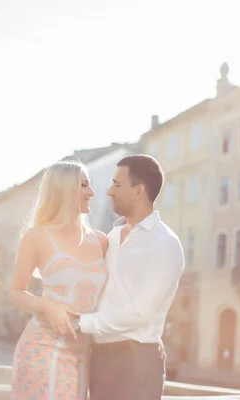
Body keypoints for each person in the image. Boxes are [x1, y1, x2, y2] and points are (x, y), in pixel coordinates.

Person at [72, 155, 185, 400]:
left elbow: (141, 312)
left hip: (136, 363)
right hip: (100, 357)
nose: (110, 191)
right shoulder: (111, 237)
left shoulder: (165, 244)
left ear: (139, 190)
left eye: (117, 184)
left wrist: (81, 323)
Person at [9, 160, 108, 400]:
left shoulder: (102, 241)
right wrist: (46, 305)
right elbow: (16, 291)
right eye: (84, 185)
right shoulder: (37, 237)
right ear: (65, 189)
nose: (92, 192)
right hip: (42, 346)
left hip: (84, 353)